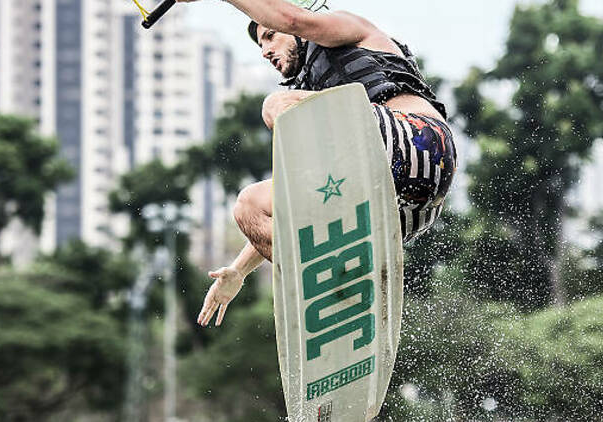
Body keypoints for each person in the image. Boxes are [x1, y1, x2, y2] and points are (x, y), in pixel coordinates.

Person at [187, 0, 458, 327]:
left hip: (418, 143)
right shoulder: (314, 97)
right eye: (261, 44)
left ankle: (339, 274)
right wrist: (239, 271)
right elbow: (290, 207)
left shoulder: (351, 29)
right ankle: (341, 284)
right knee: (249, 207)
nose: (265, 50)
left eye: (271, 36)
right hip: (404, 215)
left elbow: (292, 18)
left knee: (277, 104)